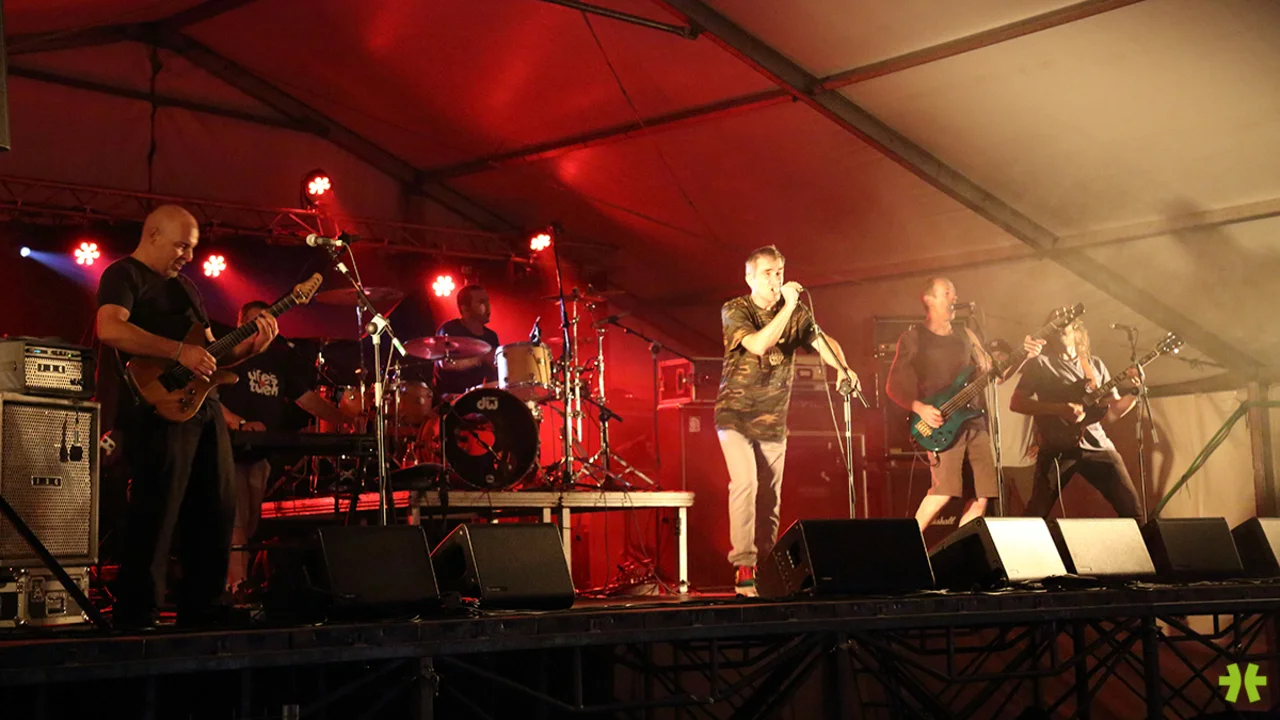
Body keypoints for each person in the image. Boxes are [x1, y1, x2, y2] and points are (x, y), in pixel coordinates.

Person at [96, 205, 278, 628]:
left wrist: (252, 348)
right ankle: (137, 612)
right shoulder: (123, 275)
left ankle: (204, 607)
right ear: (154, 235)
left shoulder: (187, 289)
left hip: (203, 407)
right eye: (181, 246)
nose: (188, 256)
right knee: (157, 509)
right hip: (156, 408)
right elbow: (110, 328)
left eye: (192, 248)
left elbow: (212, 353)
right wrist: (179, 351)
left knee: (217, 504)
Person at [715, 245, 856, 596]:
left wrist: (843, 368)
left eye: (779, 272)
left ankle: (766, 565)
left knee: (769, 498)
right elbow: (759, 345)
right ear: (750, 277)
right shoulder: (736, 309)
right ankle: (743, 563)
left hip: (774, 419)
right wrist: (790, 307)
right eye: (768, 273)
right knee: (745, 483)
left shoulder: (797, 312)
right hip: (735, 415)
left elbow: (822, 341)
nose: (776, 279)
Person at [886, 277, 1043, 534]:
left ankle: (961, 550)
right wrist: (920, 409)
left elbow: (996, 375)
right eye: (947, 293)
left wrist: (1024, 355)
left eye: (955, 293)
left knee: (982, 495)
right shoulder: (914, 337)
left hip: (975, 421)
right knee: (943, 492)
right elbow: (893, 386)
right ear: (929, 299)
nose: (955, 298)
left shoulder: (966, 334)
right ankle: (905, 545)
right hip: (940, 423)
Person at [217, 300, 352, 594]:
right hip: (228, 446)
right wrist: (239, 423)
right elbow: (207, 396)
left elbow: (306, 398)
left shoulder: (279, 360)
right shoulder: (227, 356)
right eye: (253, 321)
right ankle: (236, 586)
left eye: (265, 320)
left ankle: (236, 583)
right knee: (236, 519)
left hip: (260, 450)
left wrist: (345, 420)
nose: (259, 327)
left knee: (250, 521)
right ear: (240, 324)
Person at [1009, 315, 1143, 519]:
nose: (1060, 326)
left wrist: (1136, 391)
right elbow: (1016, 403)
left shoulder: (1095, 365)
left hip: (1097, 446)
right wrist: (1059, 409)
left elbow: (1114, 411)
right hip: (1056, 448)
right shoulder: (1041, 364)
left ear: (1076, 330)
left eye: (1064, 323)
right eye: (1054, 324)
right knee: (1036, 513)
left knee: (1134, 512)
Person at [434, 284, 498, 397]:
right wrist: (480, 359)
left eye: (488, 301)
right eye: (481, 302)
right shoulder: (449, 329)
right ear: (465, 309)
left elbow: (493, 376)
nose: (488, 306)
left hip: (478, 398)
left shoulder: (491, 336)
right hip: (449, 398)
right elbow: (445, 363)